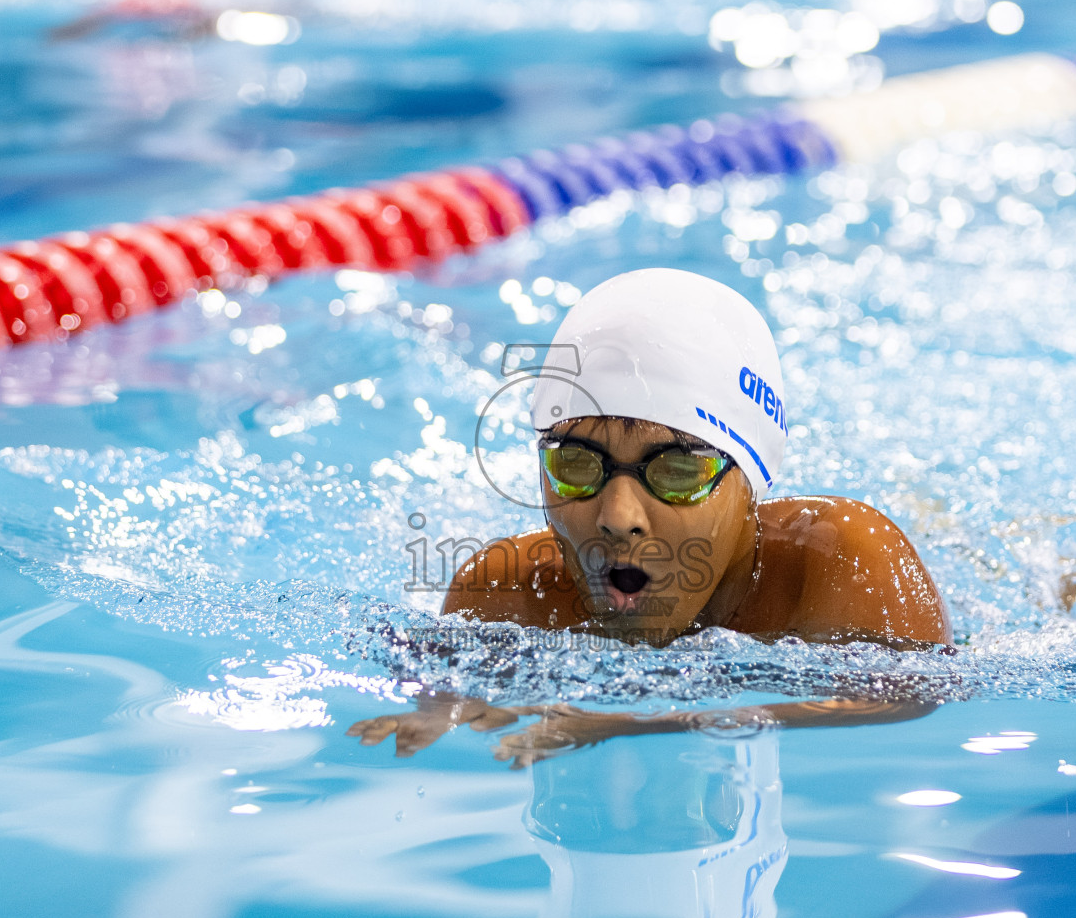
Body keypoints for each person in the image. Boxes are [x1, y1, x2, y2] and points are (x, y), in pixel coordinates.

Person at [350, 268, 949, 762]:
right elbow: (445, 693)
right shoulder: (506, 593)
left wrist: (642, 724)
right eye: (578, 465)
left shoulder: (844, 562)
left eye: (677, 471)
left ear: (749, 480)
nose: (618, 516)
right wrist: (441, 706)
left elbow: (914, 698)